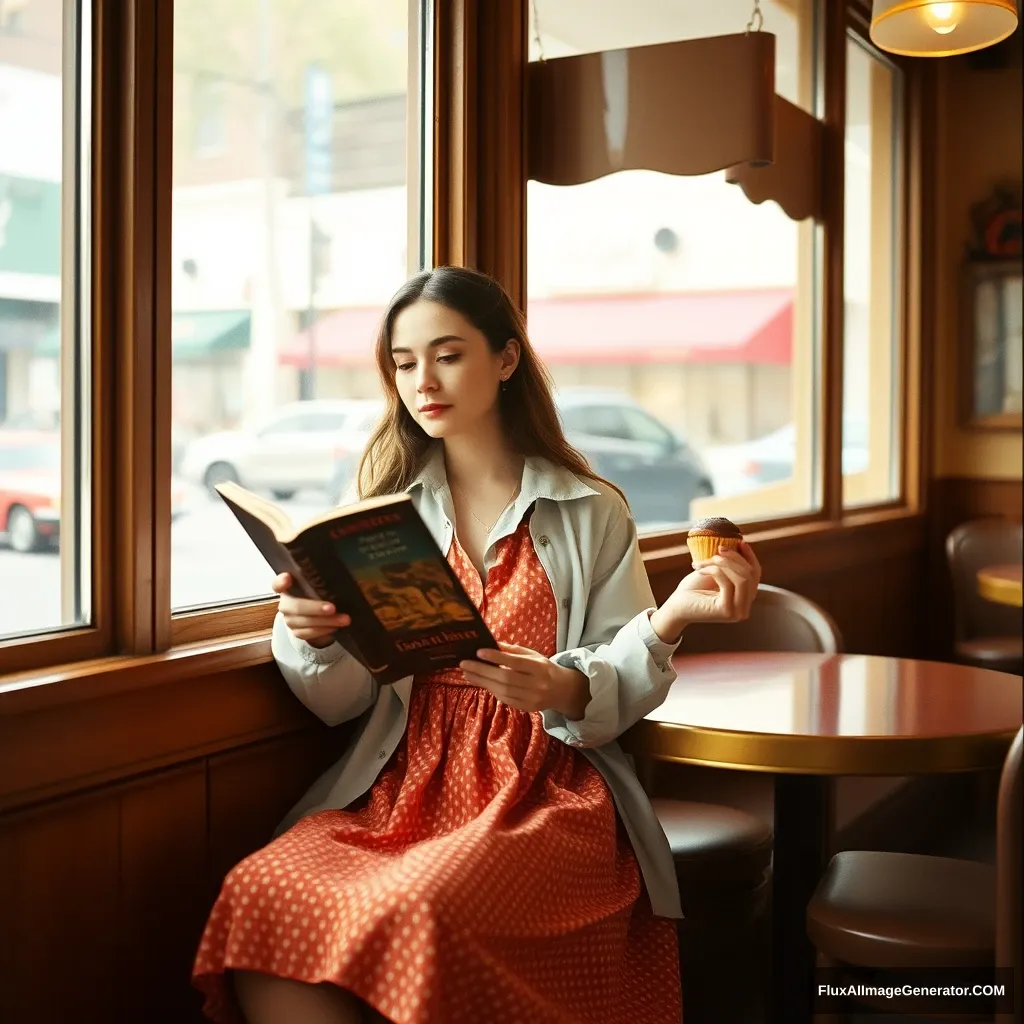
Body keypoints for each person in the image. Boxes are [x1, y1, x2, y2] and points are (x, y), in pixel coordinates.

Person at [192, 266, 762, 1024]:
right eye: (403, 363)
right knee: (263, 887)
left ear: (505, 358)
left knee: (424, 906)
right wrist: (317, 639)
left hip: (546, 789)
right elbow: (339, 706)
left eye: (448, 354)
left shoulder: (589, 511)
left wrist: (582, 675)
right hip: (400, 784)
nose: (422, 380)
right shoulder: (379, 514)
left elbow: (617, 690)